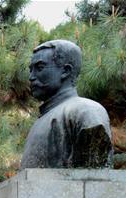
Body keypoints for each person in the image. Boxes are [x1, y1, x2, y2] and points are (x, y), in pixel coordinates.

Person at [20, 39, 113, 169]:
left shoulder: (86, 111)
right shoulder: (41, 120)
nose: (31, 77)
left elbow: (94, 177)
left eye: (39, 68)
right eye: (31, 70)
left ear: (66, 71)